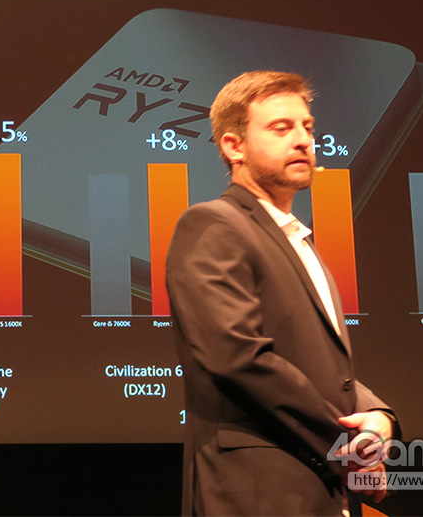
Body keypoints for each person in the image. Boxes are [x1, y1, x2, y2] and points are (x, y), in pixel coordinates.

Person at [166, 70, 398, 516]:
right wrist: (347, 446)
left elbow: (321, 366)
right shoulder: (214, 223)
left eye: (307, 127)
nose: (303, 140)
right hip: (260, 489)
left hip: (322, 486)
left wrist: (377, 417)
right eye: (281, 128)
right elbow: (237, 357)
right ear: (233, 146)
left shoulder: (299, 242)